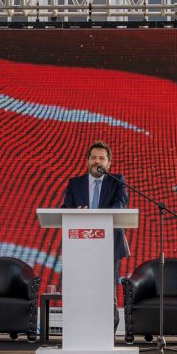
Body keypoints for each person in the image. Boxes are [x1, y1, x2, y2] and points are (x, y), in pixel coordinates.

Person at [61, 140, 129, 327]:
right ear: (87, 161)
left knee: (107, 293)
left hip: (110, 245)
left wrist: (98, 217)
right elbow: (66, 208)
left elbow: (121, 204)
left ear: (109, 163)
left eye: (101, 158)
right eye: (93, 158)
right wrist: (76, 213)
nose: (96, 161)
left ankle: (108, 334)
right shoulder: (75, 183)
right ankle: (80, 330)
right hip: (80, 245)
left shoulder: (117, 181)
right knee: (82, 292)